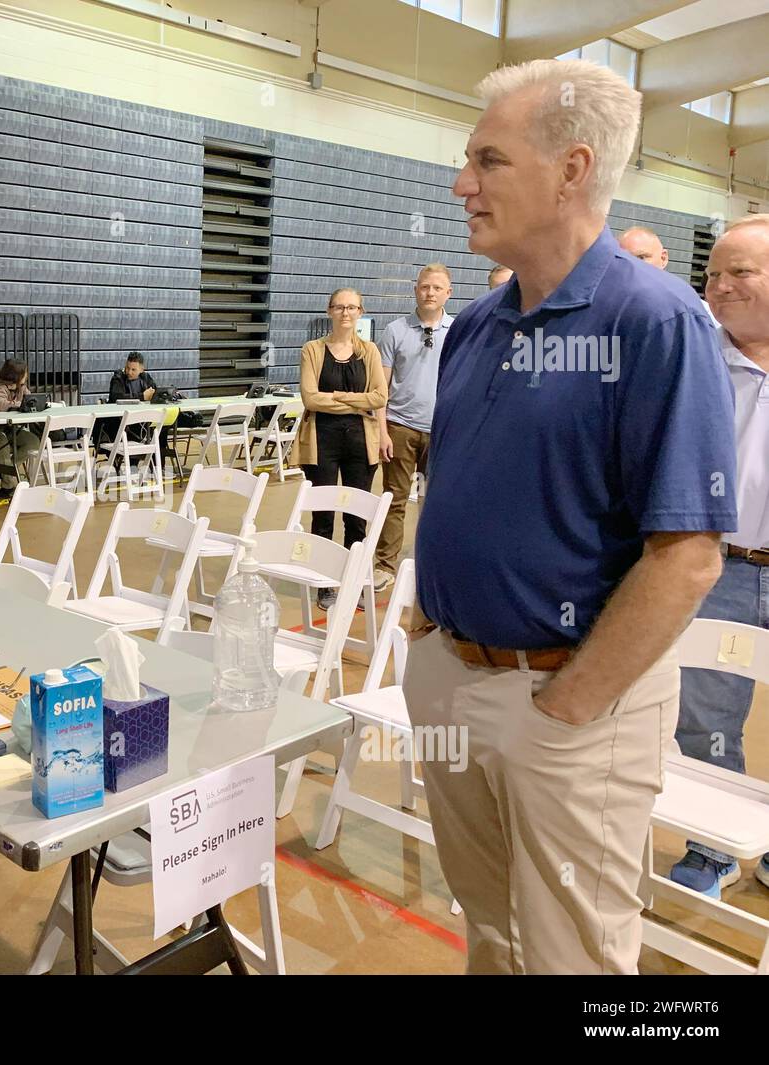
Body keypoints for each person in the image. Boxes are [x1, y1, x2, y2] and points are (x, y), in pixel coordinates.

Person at [405, 59, 737, 974]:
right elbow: (460, 484)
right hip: (452, 678)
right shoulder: (477, 324)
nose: (462, 183)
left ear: (572, 169)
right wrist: (428, 624)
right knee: (489, 929)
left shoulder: (656, 322)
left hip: (566, 702)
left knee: (575, 959)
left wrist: (568, 706)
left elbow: (688, 557)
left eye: (489, 160)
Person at [670, 215, 769, 897]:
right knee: (705, 715)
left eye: (741, 272)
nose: (721, 286)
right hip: (723, 565)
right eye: (713, 274)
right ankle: (714, 846)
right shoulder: (695, 355)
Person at [295, 287, 387, 611]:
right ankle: (323, 582)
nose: (345, 313)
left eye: (351, 307)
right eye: (339, 307)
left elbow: (380, 397)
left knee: (356, 517)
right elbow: (310, 397)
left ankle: (353, 581)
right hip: (322, 439)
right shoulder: (312, 349)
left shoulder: (370, 351)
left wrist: (336, 397)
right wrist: (355, 402)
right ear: (330, 311)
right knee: (323, 515)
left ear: (360, 312)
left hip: (360, 441)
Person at [372, 264, 453, 591]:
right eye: (424, 287)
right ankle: (384, 566)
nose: (429, 293)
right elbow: (381, 386)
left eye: (436, 288)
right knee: (394, 499)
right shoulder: (395, 330)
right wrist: (382, 430)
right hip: (401, 427)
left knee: (434, 501)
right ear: (415, 290)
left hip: (442, 430)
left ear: (448, 292)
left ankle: (432, 565)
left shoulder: (459, 330)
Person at [619, 224, 718, 323]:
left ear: (663, 258)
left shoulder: (695, 313)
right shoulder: (609, 308)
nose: (632, 266)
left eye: (641, 257)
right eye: (624, 259)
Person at [0, 358, 38, 498]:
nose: (27, 375)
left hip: (10, 429)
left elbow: (30, 401)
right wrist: (22, 404)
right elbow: (3, 406)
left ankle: (0, 470)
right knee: (1, 445)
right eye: (25, 372)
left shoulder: (21, 387)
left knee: (33, 442)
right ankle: (7, 487)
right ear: (16, 375)